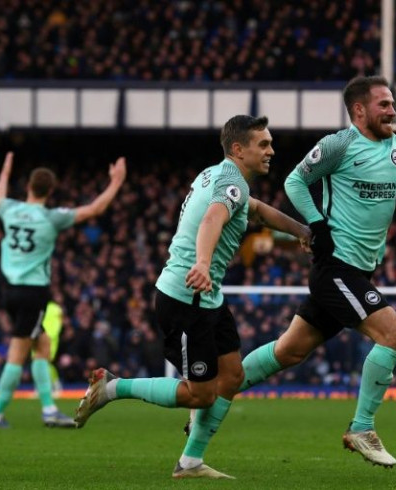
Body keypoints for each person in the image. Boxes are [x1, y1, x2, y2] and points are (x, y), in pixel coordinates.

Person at [182, 75, 396, 470]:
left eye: (391, 104)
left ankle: (212, 398)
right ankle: (362, 427)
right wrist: (316, 224)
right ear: (359, 110)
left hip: (360, 271)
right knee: (394, 335)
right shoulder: (339, 145)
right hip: (336, 267)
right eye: (383, 104)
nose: (392, 110)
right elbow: (295, 180)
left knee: (289, 350)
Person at [73, 115, 311, 479]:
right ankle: (112, 388)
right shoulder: (231, 183)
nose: (271, 150)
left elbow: (257, 211)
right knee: (200, 395)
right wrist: (202, 262)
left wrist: (299, 231)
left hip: (208, 298)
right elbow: (211, 221)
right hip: (187, 299)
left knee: (230, 377)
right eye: (262, 144)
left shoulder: (219, 176)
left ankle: (190, 463)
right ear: (238, 149)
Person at [0, 152, 126, 428]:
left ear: (28, 186)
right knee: (18, 352)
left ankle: (49, 409)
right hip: (32, 292)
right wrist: (116, 182)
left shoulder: (10, 209)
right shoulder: (51, 217)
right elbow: (94, 209)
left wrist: (5, 171)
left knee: (43, 344)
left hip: (10, 290)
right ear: (50, 190)